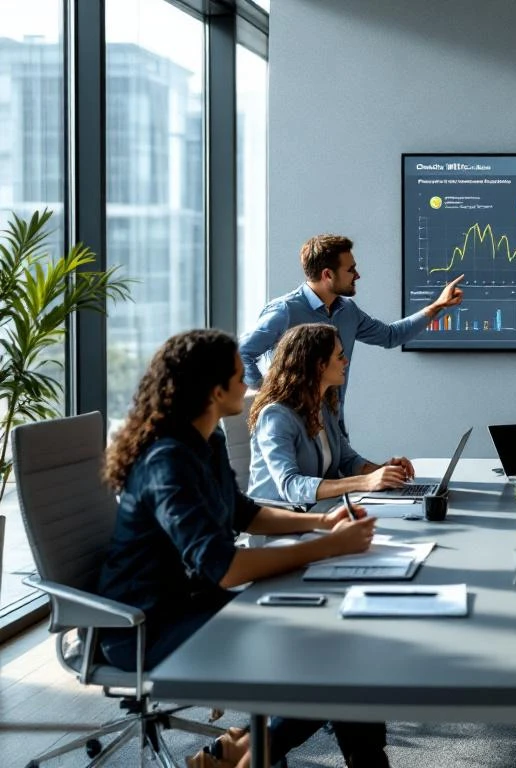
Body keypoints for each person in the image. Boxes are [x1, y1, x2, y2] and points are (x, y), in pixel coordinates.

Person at [97, 329, 389, 768]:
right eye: (239, 377)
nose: (248, 386)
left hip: (195, 602)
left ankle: (258, 750)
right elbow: (227, 568)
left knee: (339, 646)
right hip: (146, 627)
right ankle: (263, 752)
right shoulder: (167, 461)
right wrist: (327, 547)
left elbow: (245, 513)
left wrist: (320, 521)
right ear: (216, 391)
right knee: (325, 658)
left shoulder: (207, 441)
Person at [239, 234, 464, 438]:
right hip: (293, 429)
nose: (357, 275)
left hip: (334, 426)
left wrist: (438, 305)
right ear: (327, 274)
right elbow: (242, 353)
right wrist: (268, 390)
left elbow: (391, 336)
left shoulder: (348, 311)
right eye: (350, 270)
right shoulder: (284, 311)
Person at [248, 323, 413, 504]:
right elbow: (291, 486)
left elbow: (348, 461)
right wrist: (365, 482)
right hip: (282, 520)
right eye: (340, 356)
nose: (346, 361)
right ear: (319, 364)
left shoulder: (324, 407)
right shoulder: (277, 417)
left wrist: (383, 471)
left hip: (321, 511)